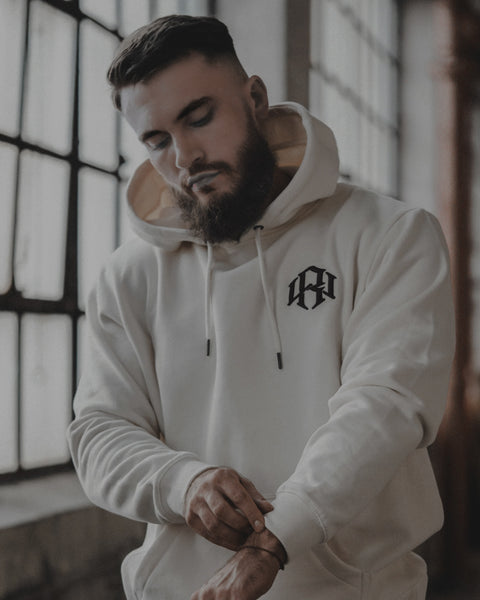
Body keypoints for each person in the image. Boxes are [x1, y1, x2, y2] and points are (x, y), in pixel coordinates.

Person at [67, 14, 455, 600]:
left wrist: (275, 540)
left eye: (200, 118)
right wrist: (182, 480)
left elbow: (385, 407)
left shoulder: (392, 235)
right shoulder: (129, 276)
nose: (185, 155)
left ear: (254, 99)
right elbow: (99, 431)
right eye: (157, 140)